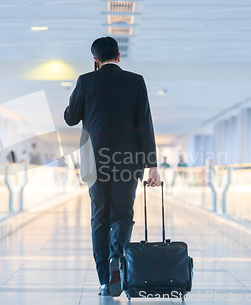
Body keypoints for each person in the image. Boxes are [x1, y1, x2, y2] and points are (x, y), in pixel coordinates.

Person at [64, 36, 161, 297]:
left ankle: (105, 278)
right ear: (119, 56)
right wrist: (152, 165)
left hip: (94, 162)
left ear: (95, 60)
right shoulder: (136, 81)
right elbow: (145, 124)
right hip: (129, 161)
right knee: (123, 213)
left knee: (100, 215)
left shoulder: (86, 81)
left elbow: (70, 118)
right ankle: (118, 259)